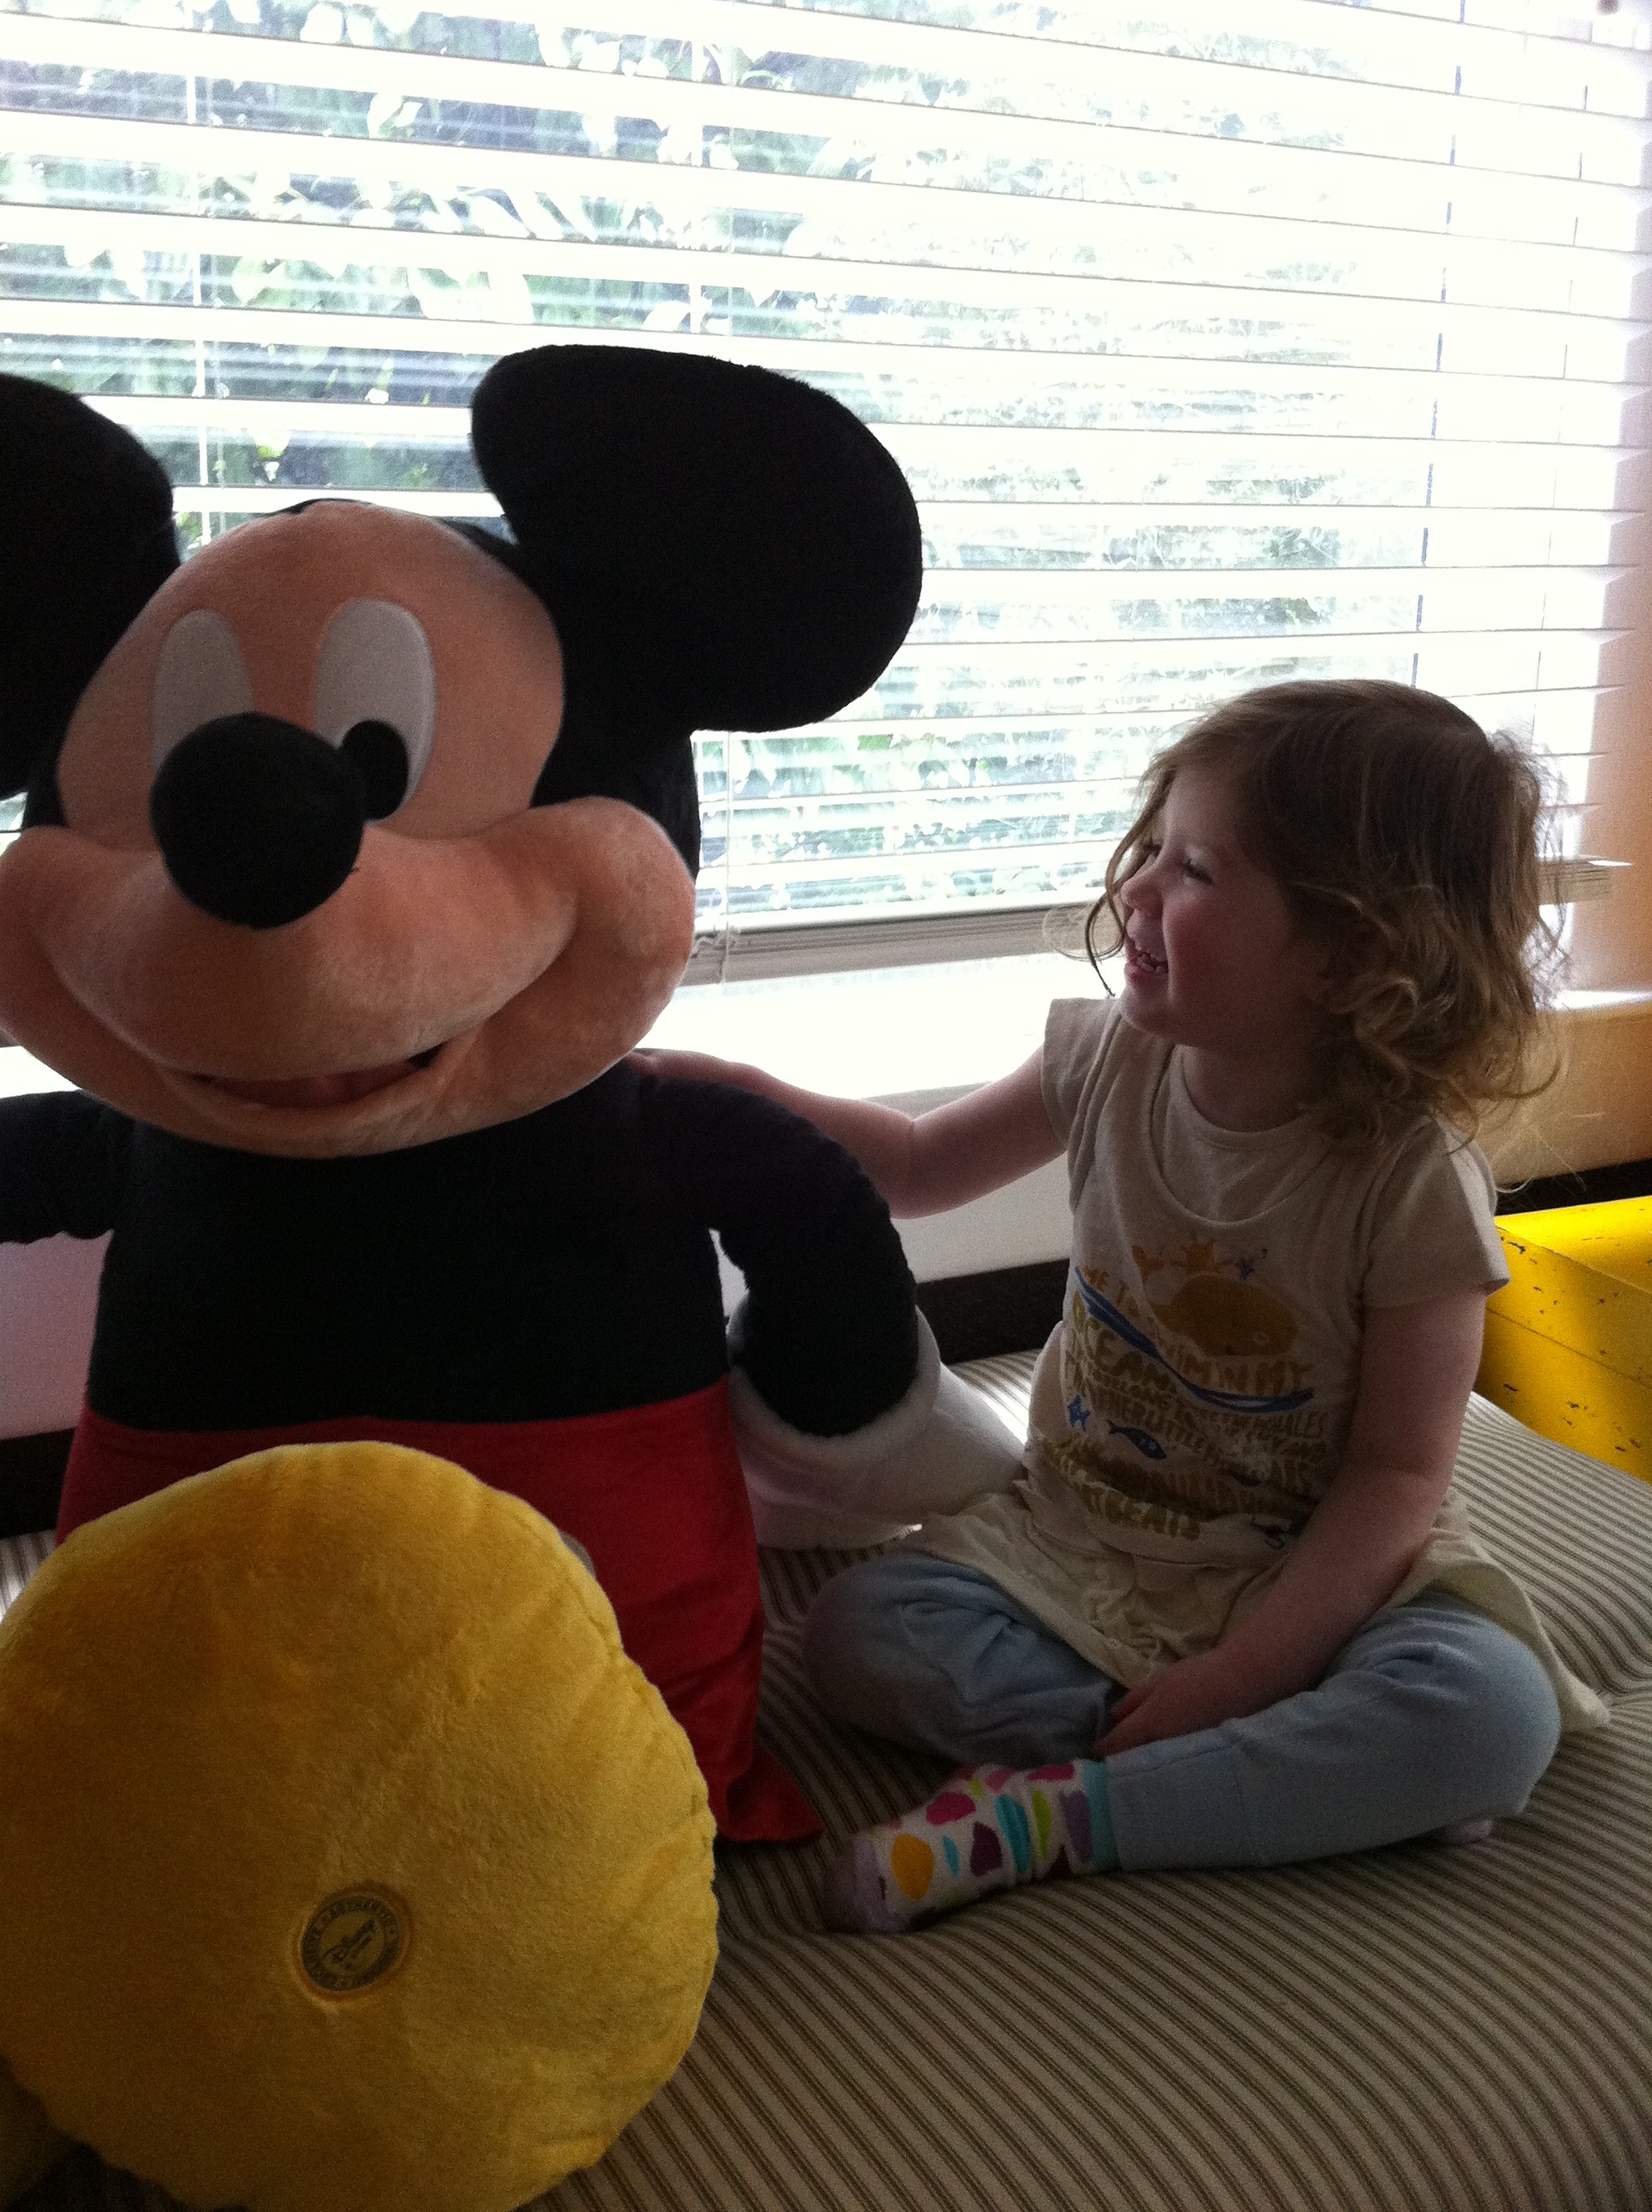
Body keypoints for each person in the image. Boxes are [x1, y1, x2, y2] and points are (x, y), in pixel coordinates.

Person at [639, 679, 1607, 1934]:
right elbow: (920, 1166)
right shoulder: (1109, 1055)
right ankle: (1290, 1773)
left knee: (1488, 1715)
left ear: (1352, 955)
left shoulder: (1411, 1186)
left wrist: (1252, 1668)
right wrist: (730, 1090)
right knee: (858, 1635)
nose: (1137, 887)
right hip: (1089, 1537)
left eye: (1195, 869)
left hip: (1314, 1574)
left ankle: (1065, 1817)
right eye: (1154, 845)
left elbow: (1397, 1481)